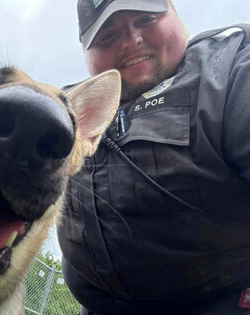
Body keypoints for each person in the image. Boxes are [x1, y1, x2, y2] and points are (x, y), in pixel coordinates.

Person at [57, 0, 250, 314]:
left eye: (146, 19)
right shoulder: (67, 108)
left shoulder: (228, 71)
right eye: (106, 37)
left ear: (175, 13)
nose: (132, 39)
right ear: (87, 54)